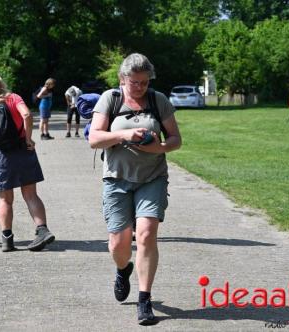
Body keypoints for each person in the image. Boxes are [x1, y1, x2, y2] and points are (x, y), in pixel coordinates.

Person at [88, 53, 181, 325]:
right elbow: (94, 139)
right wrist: (124, 135)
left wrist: (160, 147)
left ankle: (144, 299)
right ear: (122, 79)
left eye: (144, 82)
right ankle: (122, 268)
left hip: (152, 177)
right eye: (134, 82)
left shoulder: (158, 100)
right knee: (119, 243)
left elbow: (176, 139)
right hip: (117, 179)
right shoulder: (111, 99)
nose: (140, 87)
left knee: (146, 234)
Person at [0, 71, 55, 252]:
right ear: (0, 82)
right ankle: (42, 230)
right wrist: (28, 138)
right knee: (30, 195)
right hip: (22, 149)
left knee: (5, 200)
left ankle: (7, 239)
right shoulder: (12, 98)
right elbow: (27, 115)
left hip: (2, 155)